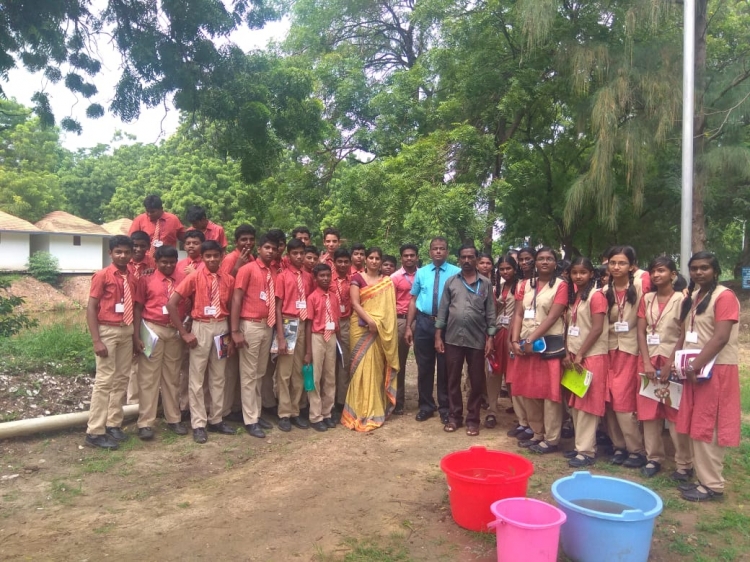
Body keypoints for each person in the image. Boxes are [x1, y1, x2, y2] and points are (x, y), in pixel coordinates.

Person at [676, 252, 740, 502]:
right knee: (696, 423)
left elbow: (721, 337)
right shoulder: (695, 296)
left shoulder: (724, 296)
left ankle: (712, 485)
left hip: (715, 369)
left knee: (709, 426)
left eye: (705, 268)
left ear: (715, 270)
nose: (699, 272)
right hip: (696, 368)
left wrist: (696, 365)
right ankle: (702, 479)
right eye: (694, 268)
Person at [166, 240, 235, 444]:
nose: (212, 259)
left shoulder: (228, 279)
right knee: (196, 377)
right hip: (201, 327)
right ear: (203, 258)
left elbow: (231, 308)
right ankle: (198, 423)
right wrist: (184, 333)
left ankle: (216, 418)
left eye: (216, 255)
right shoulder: (194, 277)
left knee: (218, 376)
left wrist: (231, 335)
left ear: (222, 256)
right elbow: (172, 304)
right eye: (208, 256)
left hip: (221, 327)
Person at [636, 257, 692, 478]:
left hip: (672, 359)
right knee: (649, 412)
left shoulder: (682, 299)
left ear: (673, 274)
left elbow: (683, 333)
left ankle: (684, 463)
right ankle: (654, 458)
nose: (656, 275)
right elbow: (641, 331)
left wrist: (670, 363)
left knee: (674, 411)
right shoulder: (647, 298)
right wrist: (647, 361)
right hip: (649, 359)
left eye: (661, 270)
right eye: (653, 271)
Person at [509, 247, 568, 454]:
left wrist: (530, 339)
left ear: (555, 263)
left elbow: (553, 317)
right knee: (529, 391)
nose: (545, 262)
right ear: (535, 262)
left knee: (550, 393)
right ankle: (537, 433)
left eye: (549, 259)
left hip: (548, 346)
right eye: (541, 259)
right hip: (525, 345)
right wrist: (515, 340)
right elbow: (517, 314)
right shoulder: (524, 285)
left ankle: (551, 439)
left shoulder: (561, 286)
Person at [435, 245, 496, 436]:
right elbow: (443, 310)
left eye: (471, 257)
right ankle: (454, 417)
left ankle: (473, 419)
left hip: (477, 339)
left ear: (477, 259)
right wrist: (438, 335)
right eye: (463, 257)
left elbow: (491, 313)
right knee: (452, 379)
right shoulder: (451, 282)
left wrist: (491, 338)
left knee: (476, 381)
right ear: (459, 259)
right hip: (453, 338)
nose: (467, 260)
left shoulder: (485, 284)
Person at [84, 235, 137, 449]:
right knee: (104, 380)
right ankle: (94, 432)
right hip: (108, 330)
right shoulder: (102, 276)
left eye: (126, 252)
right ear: (111, 253)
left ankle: (113, 424)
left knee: (122, 378)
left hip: (126, 330)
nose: (123, 255)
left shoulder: (132, 277)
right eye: (118, 252)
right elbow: (91, 308)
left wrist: (134, 337)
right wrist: (97, 340)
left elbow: (134, 306)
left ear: (131, 254)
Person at [132, 245, 188, 439]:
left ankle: (174, 418)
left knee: (172, 377)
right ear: (156, 262)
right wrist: (136, 335)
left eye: (172, 262)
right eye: (164, 262)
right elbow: (138, 308)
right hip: (152, 329)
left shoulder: (183, 279)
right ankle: (145, 423)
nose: (168, 265)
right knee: (148, 378)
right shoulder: (146, 279)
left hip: (174, 331)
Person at [341, 247, 399, 431]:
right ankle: (356, 412)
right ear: (365, 260)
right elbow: (355, 304)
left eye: (377, 258)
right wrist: (370, 321)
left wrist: (378, 324)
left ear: (381, 261)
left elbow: (389, 311)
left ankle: (374, 411)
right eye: (371, 258)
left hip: (379, 331)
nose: (374, 261)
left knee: (375, 369)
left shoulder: (386, 282)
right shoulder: (357, 279)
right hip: (361, 328)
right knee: (359, 371)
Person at [405, 237, 460, 424]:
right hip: (424, 323)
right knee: (425, 367)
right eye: (435, 249)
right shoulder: (421, 273)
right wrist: (408, 327)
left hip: (447, 325)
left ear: (447, 251)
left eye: (442, 248)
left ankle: (445, 407)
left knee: (445, 367)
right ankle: (426, 406)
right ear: (429, 252)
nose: (438, 251)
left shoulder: (456, 273)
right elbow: (413, 299)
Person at [604, 245, 649, 468]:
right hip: (609, 349)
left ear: (632, 266)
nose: (616, 267)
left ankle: (636, 450)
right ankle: (618, 446)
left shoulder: (641, 287)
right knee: (610, 400)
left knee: (624, 401)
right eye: (613, 262)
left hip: (631, 350)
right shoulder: (604, 290)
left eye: (622, 263)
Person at [230, 234, 278, 439]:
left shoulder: (274, 271)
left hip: (267, 326)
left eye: (273, 249)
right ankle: (250, 419)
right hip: (250, 325)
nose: (270, 251)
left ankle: (256, 413)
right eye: (266, 247)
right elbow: (237, 298)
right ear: (259, 249)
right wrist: (235, 331)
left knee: (259, 372)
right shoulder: (247, 269)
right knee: (249, 374)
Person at [564, 257, 609, 467]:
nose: (578, 276)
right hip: (576, 355)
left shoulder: (596, 295)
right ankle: (579, 447)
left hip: (592, 356)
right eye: (574, 272)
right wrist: (568, 353)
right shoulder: (577, 296)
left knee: (588, 405)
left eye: (583, 272)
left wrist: (581, 353)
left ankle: (587, 451)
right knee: (576, 404)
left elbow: (597, 328)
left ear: (592, 274)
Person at [274, 238, 314, 431]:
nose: (299, 257)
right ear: (288, 255)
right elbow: (278, 307)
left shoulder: (308, 277)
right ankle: (283, 413)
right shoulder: (282, 276)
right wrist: (281, 337)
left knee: (300, 371)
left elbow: (310, 305)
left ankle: (296, 411)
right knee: (284, 373)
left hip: (303, 322)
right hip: (288, 323)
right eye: (295, 253)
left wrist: (308, 345)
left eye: (301, 253)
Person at [303, 263, 340, 432]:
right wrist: (308, 351)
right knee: (316, 377)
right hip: (317, 337)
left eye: (327, 275)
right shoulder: (312, 297)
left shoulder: (333, 296)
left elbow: (337, 320)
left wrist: (338, 344)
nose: (325, 278)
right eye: (321, 276)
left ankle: (327, 412)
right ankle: (315, 416)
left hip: (331, 337)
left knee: (330, 376)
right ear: (316, 278)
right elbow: (309, 324)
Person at [506, 249, 536, 441]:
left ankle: (534, 425)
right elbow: (516, 314)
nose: (524, 263)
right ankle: (523, 421)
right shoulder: (520, 285)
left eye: (528, 259)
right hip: (518, 337)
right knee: (516, 380)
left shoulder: (552, 284)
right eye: (521, 260)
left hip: (537, 340)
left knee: (532, 385)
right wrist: (512, 339)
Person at [125, 230, 156, 405]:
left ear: (148, 247)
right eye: (135, 245)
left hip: (146, 316)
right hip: (125, 316)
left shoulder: (153, 264)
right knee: (129, 361)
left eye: (142, 246)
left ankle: (144, 401)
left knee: (144, 356)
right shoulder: (124, 262)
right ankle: (131, 402)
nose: (138, 249)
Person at [487, 254, 517, 429]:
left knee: (513, 374)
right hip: (497, 333)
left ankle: (521, 415)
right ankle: (492, 410)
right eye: (502, 269)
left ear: (515, 269)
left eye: (509, 268)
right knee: (493, 372)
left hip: (513, 335)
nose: (505, 272)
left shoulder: (523, 286)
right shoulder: (499, 287)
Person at [390, 244, 418, 415]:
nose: (409, 258)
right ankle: (398, 401)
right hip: (400, 321)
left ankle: (426, 399)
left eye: (412, 255)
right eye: (406, 255)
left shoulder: (423, 275)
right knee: (399, 363)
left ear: (417, 257)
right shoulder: (394, 277)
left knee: (424, 361)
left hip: (420, 320)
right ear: (401, 258)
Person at [332, 248, 353, 412]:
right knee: (328, 364)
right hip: (327, 323)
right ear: (334, 262)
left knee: (344, 362)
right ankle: (328, 402)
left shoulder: (353, 281)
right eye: (340, 261)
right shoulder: (326, 278)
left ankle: (341, 401)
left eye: (346, 262)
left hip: (346, 322)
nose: (343, 264)